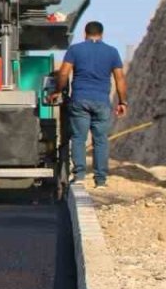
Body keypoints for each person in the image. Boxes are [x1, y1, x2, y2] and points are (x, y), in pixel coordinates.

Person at [51, 21, 128, 187]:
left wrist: (57, 90)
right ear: (102, 34)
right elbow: (120, 78)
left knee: (78, 138)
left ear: (85, 34)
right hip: (102, 102)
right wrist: (122, 101)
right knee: (101, 141)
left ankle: (79, 176)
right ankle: (100, 180)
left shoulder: (75, 50)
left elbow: (64, 72)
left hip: (80, 100)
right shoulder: (112, 52)